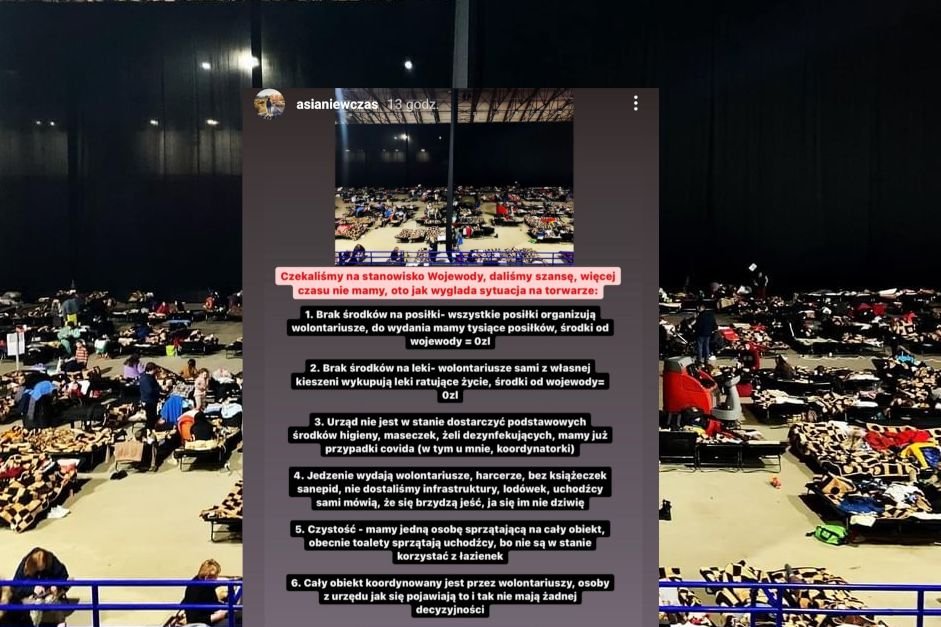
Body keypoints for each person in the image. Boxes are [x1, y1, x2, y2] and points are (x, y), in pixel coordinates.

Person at [10, 548, 70, 627]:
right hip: (31, 596)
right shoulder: (24, 566)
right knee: (38, 603)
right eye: (37, 569)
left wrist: (56, 585)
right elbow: (15, 588)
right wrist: (32, 589)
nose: (40, 570)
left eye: (42, 567)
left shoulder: (51, 561)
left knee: (51, 600)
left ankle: (60, 620)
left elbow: (64, 575)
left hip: (49, 592)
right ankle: (35, 624)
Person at [181, 560, 228, 626]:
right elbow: (193, 619)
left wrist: (224, 608)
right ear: (206, 576)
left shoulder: (206, 585)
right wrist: (217, 616)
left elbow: (212, 603)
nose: (216, 579)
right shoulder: (195, 588)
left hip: (209, 617)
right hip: (202, 623)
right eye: (214, 576)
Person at [138, 362, 161, 430]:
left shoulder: (150, 376)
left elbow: (155, 384)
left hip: (151, 400)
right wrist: (157, 390)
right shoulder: (145, 379)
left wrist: (159, 388)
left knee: (153, 415)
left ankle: (152, 427)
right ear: (151, 369)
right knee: (150, 416)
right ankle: (150, 429)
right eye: (154, 370)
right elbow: (149, 391)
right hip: (148, 401)